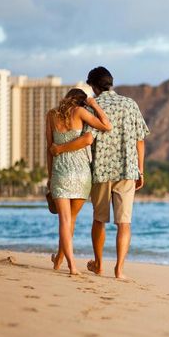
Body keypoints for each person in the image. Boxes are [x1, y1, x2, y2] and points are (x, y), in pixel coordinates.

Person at [50, 66, 150, 279]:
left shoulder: (92, 106)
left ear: (93, 86)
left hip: (100, 171)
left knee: (99, 220)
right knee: (124, 223)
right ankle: (119, 270)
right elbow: (140, 140)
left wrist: (59, 149)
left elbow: (86, 138)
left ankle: (99, 265)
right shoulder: (130, 104)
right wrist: (140, 170)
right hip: (127, 170)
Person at [46, 88, 113, 275]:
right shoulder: (81, 112)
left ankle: (69, 264)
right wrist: (94, 105)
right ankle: (61, 261)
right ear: (82, 102)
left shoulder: (51, 115)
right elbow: (107, 125)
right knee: (71, 221)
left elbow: (49, 149)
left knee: (64, 221)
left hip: (61, 172)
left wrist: (50, 176)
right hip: (82, 174)